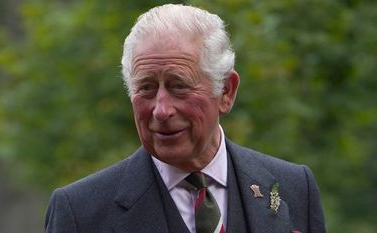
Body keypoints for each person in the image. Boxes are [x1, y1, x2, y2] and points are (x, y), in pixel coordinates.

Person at [44, 4, 326, 233]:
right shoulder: (81, 213)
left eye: (179, 86)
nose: (161, 110)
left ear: (226, 91)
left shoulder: (293, 188)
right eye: (146, 88)